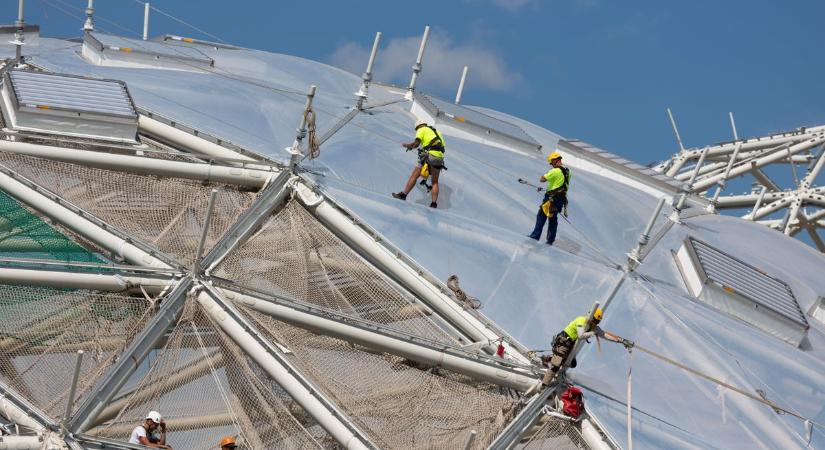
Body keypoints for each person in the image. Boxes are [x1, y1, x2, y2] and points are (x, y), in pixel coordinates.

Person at [541, 308, 603, 386]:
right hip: (564, 341)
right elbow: (580, 335)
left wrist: (620, 340)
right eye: (595, 320)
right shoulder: (581, 320)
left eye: (598, 321)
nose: (595, 323)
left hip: (570, 345)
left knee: (572, 363)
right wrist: (593, 332)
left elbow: (603, 334)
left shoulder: (591, 326)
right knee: (556, 365)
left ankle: (549, 358)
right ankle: (544, 384)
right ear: (591, 316)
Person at [392, 119, 446, 208]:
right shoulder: (437, 132)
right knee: (435, 182)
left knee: (415, 175)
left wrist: (408, 145)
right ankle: (433, 204)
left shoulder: (421, 129)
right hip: (439, 157)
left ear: (418, 127)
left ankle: (403, 195)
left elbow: (416, 144)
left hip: (429, 155)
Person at [528, 151, 571, 245]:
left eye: (551, 162)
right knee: (553, 217)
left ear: (555, 160)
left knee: (541, 215)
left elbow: (542, 179)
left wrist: (548, 173)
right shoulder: (568, 171)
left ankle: (535, 236)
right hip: (561, 199)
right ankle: (550, 240)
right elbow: (560, 183)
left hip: (551, 197)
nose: (551, 164)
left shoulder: (555, 171)